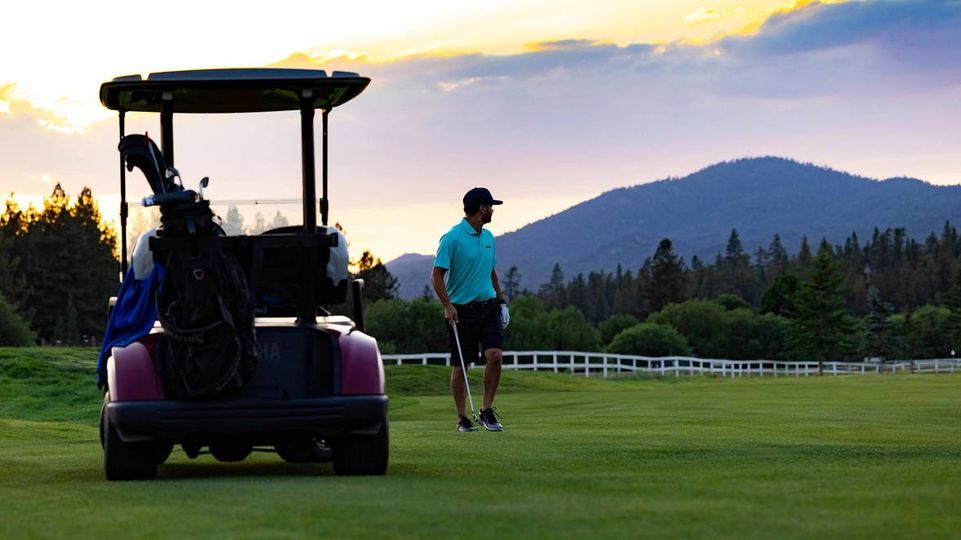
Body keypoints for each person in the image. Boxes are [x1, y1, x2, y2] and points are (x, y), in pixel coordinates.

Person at [431, 187, 507, 432]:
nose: (493, 210)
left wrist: (502, 301)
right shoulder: (451, 238)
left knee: (495, 355)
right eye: (490, 206)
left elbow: (491, 271)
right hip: (461, 311)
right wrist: (447, 305)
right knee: (461, 366)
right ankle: (462, 418)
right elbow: (437, 275)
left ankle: (486, 411)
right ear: (482, 208)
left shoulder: (489, 238)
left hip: (488, 308)